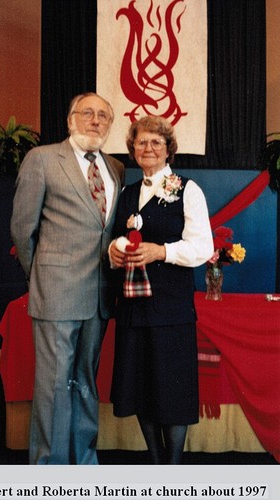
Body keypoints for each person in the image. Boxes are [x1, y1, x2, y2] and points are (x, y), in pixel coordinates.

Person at [10, 92, 124, 464]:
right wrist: (42, 277)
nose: (95, 121)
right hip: (56, 292)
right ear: (70, 119)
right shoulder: (41, 160)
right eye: (87, 113)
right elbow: (22, 230)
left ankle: (83, 462)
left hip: (100, 294)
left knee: (85, 382)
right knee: (56, 384)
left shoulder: (115, 169)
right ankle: (50, 468)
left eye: (103, 116)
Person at [109, 115, 213, 465]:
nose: (148, 148)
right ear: (132, 150)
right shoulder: (126, 193)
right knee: (141, 390)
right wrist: (115, 251)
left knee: (173, 393)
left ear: (169, 149)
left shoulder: (188, 190)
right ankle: (155, 465)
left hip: (171, 312)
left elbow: (201, 248)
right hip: (133, 310)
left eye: (156, 142)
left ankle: (172, 469)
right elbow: (111, 243)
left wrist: (161, 251)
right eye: (141, 142)